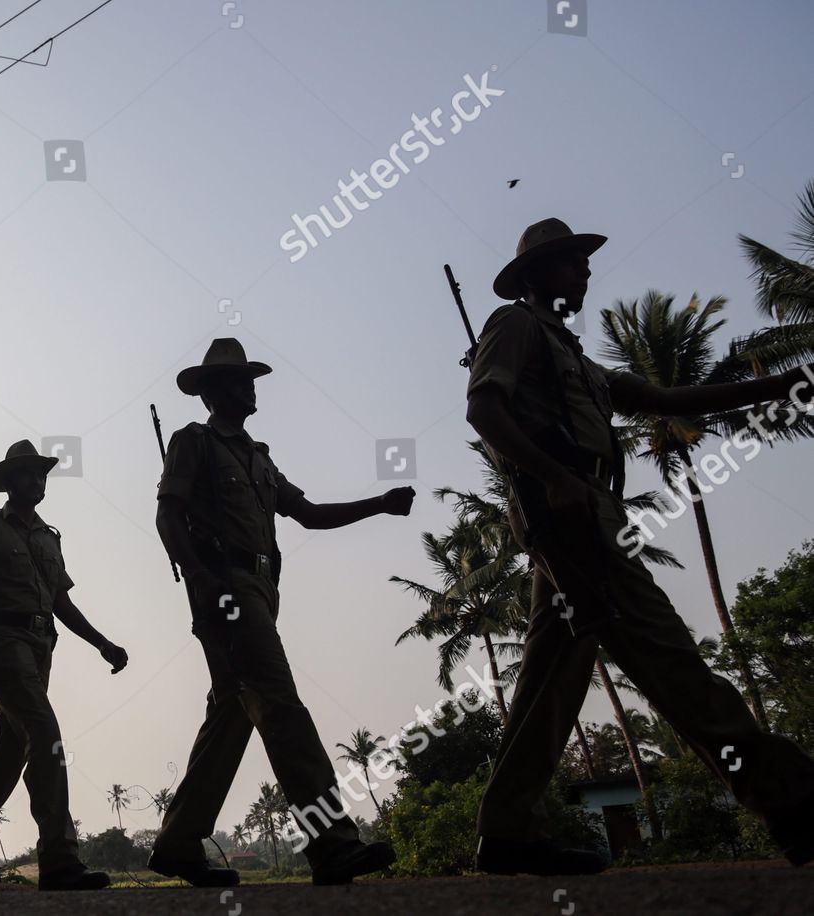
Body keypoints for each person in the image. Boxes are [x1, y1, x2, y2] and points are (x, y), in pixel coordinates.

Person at [466, 217, 814, 873]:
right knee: (669, 660)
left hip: (587, 510)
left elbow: (665, 397)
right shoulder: (513, 327)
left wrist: (777, 386)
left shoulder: (578, 359)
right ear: (540, 275)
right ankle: (793, 802)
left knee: (551, 677)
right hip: (567, 514)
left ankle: (505, 830)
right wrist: (554, 477)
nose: (586, 271)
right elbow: (484, 409)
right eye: (572, 262)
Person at [149, 338, 415, 887]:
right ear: (217, 391)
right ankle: (333, 843)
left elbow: (310, 513)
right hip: (225, 586)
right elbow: (168, 517)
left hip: (262, 588)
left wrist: (380, 504)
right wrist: (203, 581)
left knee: (232, 712)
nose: (251, 389)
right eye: (241, 380)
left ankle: (178, 844)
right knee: (280, 703)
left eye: (251, 380)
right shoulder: (193, 443)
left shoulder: (259, 457)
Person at [0, 440, 129, 892]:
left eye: (41, 473)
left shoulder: (48, 537)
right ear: (7, 482)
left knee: (9, 756)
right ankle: (60, 859)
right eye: (26, 473)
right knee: (45, 734)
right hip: (3, 643)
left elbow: (61, 600)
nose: (36, 480)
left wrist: (101, 642)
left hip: (42, 646)